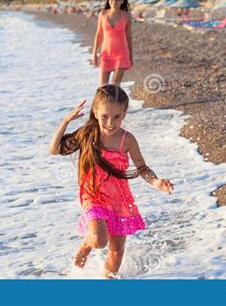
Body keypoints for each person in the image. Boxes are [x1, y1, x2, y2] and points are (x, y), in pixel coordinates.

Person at [49, 85, 174, 278]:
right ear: (95, 112)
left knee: (116, 253)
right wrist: (66, 121)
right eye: (105, 116)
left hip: (119, 199)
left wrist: (156, 182)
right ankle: (86, 245)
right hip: (93, 195)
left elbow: (142, 168)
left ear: (124, 114)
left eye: (117, 116)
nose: (110, 122)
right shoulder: (87, 134)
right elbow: (55, 149)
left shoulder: (128, 140)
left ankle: (106, 282)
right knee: (99, 240)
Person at [91, 0, 133, 87]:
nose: (114, 1)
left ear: (122, 1)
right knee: (103, 88)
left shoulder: (126, 16)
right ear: (108, 0)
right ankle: (106, 103)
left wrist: (131, 56)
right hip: (106, 55)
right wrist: (94, 54)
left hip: (121, 55)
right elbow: (99, 34)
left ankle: (117, 102)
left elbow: (129, 37)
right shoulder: (102, 14)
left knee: (115, 86)